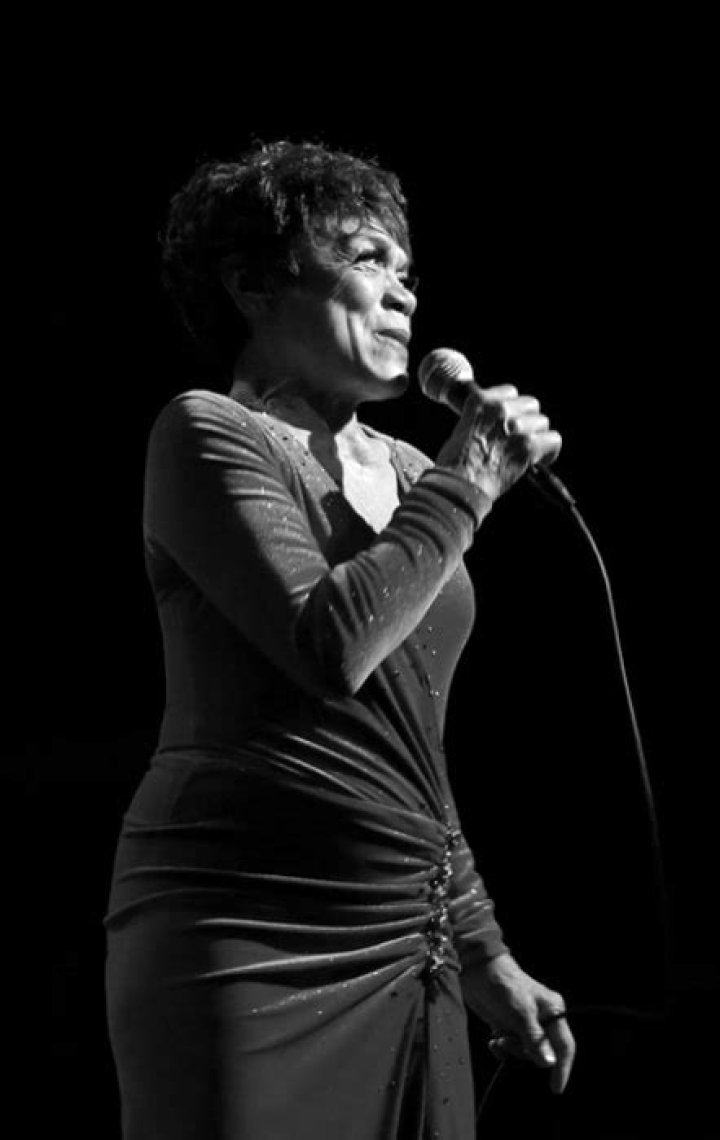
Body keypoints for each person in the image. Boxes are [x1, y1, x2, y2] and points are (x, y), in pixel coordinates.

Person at [104, 139, 575, 1139]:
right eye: (366, 259)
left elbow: (410, 738)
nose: (403, 292)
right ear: (253, 286)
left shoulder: (411, 471)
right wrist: (471, 479)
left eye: (409, 271)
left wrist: (482, 948)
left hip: (407, 935)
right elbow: (331, 645)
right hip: (243, 925)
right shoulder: (206, 433)